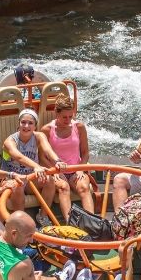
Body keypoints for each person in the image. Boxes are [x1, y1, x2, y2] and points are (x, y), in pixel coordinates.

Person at [0, 211, 93, 280]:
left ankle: (59, 278)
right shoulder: (23, 263)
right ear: (14, 234)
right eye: (29, 236)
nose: (31, 240)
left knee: (31, 278)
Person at [2, 108, 67, 226]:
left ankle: (42, 216)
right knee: (18, 186)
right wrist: (36, 166)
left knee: (49, 180)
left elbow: (47, 150)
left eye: (30, 123)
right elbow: (19, 157)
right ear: (19, 123)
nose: (26, 126)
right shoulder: (9, 141)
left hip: (30, 178)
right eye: (23, 122)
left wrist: (57, 161)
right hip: (12, 177)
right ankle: (22, 224)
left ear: (35, 126)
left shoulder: (39, 136)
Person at [40, 94, 95, 222]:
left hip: (76, 169)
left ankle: (92, 223)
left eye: (71, 116)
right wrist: (54, 171)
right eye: (64, 117)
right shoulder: (46, 130)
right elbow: (42, 157)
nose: (68, 120)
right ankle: (71, 224)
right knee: (63, 187)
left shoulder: (79, 127)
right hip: (56, 170)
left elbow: (85, 152)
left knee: (84, 187)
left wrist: (80, 169)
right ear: (56, 113)